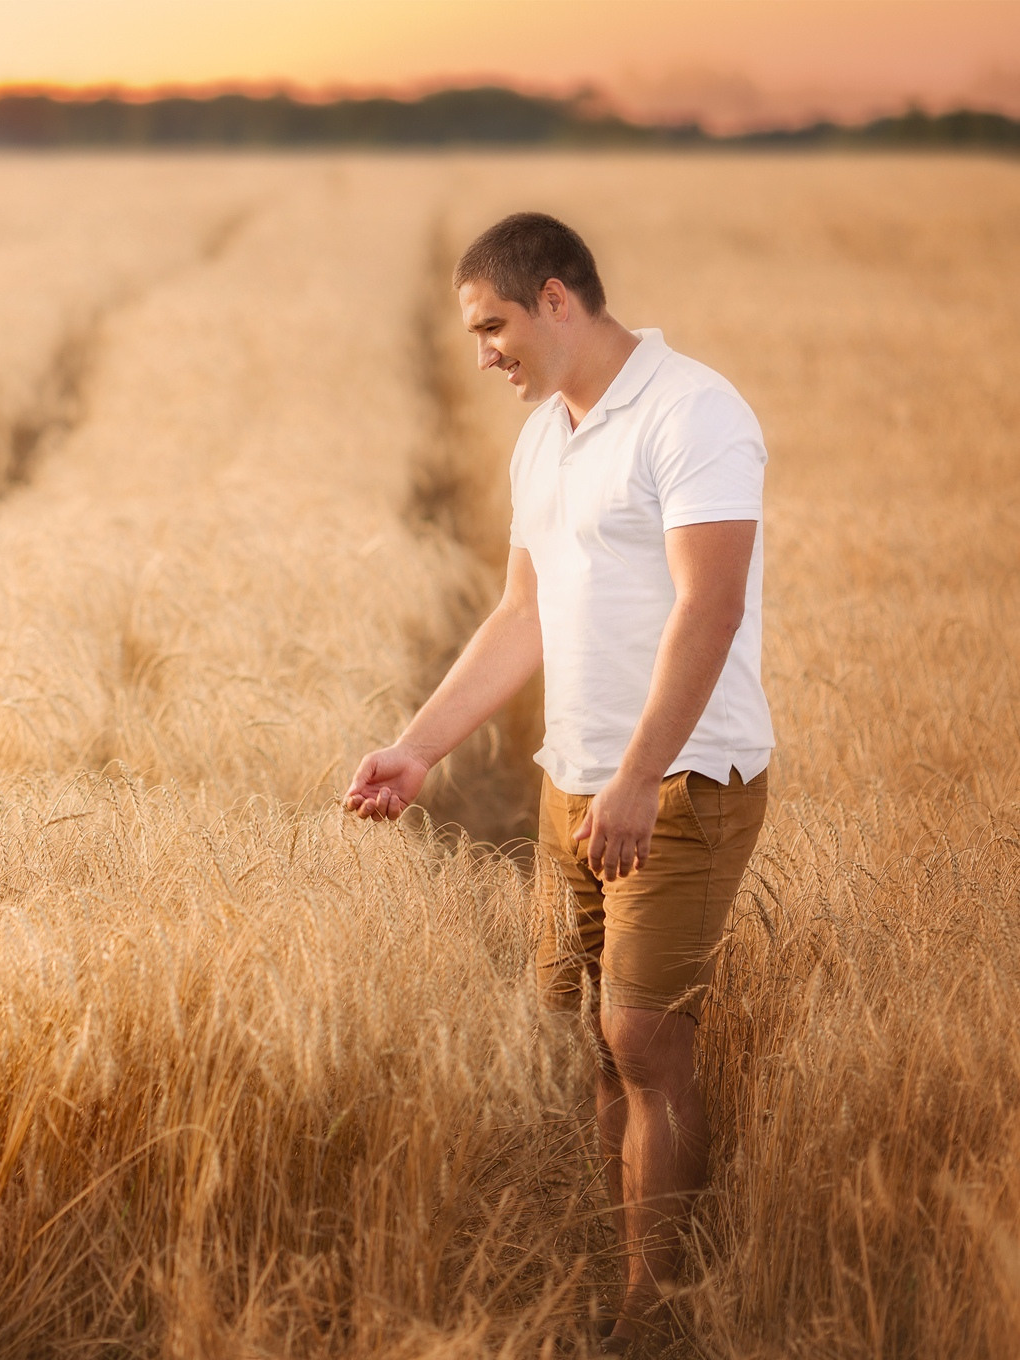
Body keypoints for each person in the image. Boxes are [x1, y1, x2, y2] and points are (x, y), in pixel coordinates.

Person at [343, 213, 771, 1352]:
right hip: (570, 779)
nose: (482, 351)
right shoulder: (544, 435)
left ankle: (650, 1312)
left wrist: (636, 777)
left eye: (491, 326)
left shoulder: (694, 412)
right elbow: (518, 613)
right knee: (587, 1033)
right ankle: (618, 1262)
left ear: (554, 299)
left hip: (678, 776)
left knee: (643, 1036)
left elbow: (710, 605)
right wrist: (418, 746)